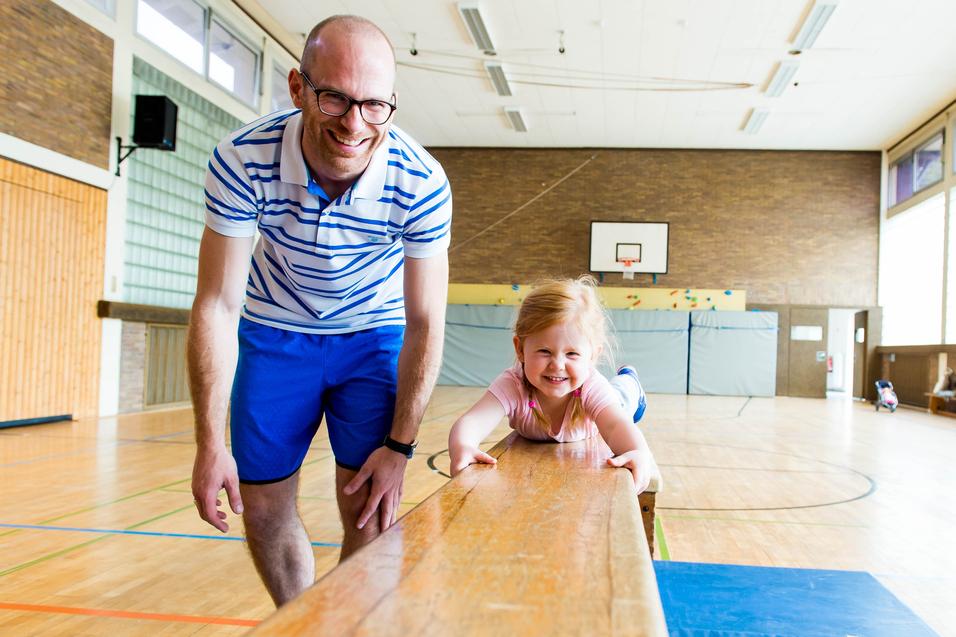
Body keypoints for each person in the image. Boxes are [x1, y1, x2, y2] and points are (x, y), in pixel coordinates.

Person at [187, 15, 451, 607]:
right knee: (262, 508)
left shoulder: (422, 182)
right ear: (298, 87)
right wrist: (209, 442)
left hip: (372, 333)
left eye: (373, 105)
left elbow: (426, 321)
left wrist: (401, 447)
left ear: (392, 105)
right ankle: (302, 620)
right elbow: (218, 302)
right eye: (334, 97)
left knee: (370, 507)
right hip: (276, 331)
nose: (354, 124)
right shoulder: (240, 159)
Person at [447, 277, 653, 492]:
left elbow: (614, 426)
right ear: (520, 349)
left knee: (622, 397)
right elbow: (474, 420)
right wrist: (463, 445)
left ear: (592, 356)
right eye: (544, 351)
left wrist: (638, 452)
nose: (557, 365)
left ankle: (629, 378)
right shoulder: (514, 384)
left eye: (572, 354)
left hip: (619, 400)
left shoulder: (591, 386)